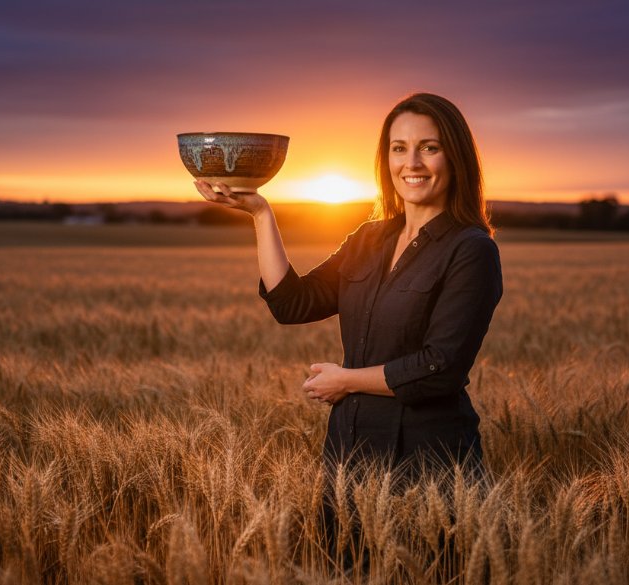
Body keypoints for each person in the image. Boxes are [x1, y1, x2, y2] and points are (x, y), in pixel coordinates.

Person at [193, 92, 502, 479]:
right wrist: (260, 213)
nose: (412, 163)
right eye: (399, 148)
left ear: (455, 157)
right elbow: (292, 304)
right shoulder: (367, 239)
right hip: (349, 455)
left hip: (428, 464)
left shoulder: (471, 250)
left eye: (429, 147)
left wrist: (346, 380)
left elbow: (439, 369)